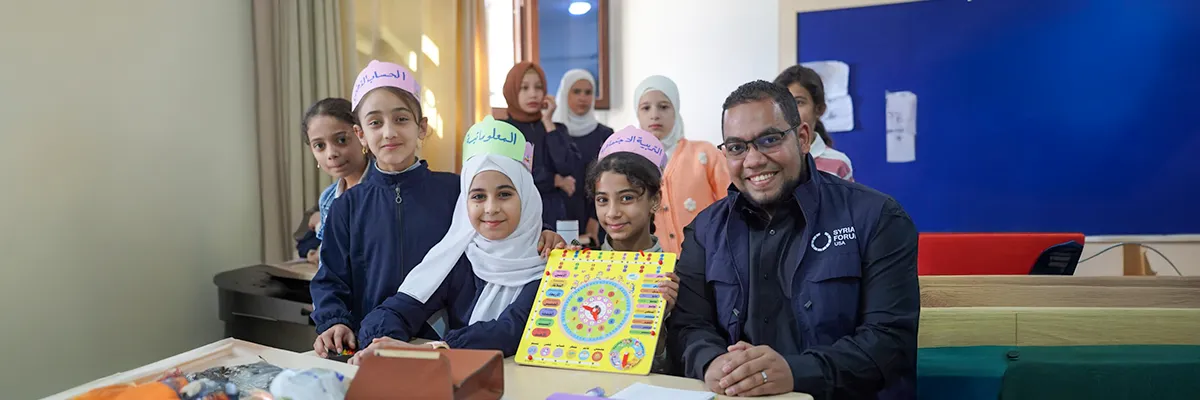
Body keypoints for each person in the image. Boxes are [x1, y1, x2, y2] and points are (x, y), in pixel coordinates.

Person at [666, 80, 918, 399]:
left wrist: (796, 372)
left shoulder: (877, 217)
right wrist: (712, 362)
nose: (753, 160)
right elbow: (688, 326)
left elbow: (890, 341)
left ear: (802, 138)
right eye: (737, 147)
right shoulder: (705, 230)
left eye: (769, 140)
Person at [310, 61, 565, 358]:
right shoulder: (348, 206)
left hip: (440, 344)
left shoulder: (455, 192)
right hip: (377, 341)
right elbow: (331, 277)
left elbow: (516, 220)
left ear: (421, 127)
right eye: (376, 122)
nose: (389, 132)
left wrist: (546, 231)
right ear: (361, 134)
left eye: (401, 119)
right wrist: (335, 320)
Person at [351, 117, 545, 360]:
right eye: (478, 196)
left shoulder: (545, 262)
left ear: (527, 198)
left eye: (505, 194)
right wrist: (384, 344)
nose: (491, 208)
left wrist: (436, 349)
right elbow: (398, 310)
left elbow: (512, 330)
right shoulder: (461, 258)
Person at [584, 126, 680, 374]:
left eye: (626, 198)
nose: (613, 212)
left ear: (655, 200)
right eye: (602, 200)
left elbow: (673, 369)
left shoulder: (674, 276)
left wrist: (659, 321)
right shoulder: (581, 265)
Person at [633, 75, 731, 254]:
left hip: (706, 258)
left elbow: (731, 204)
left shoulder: (705, 154)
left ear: (675, 110)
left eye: (664, 106)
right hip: (652, 263)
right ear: (638, 114)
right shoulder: (631, 163)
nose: (654, 115)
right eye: (646, 108)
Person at [503, 62, 582, 228]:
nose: (533, 94)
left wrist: (548, 122)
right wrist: (554, 180)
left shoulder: (557, 129)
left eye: (538, 87)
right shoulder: (503, 131)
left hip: (555, 213)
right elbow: (510, 174)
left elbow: (568, 167)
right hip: (519, 214)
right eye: (524, 88)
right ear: (512, 91)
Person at [301, 97, 371, 263]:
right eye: (320, 146)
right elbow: (329, 263)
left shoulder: (386, 187)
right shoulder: (328, 199)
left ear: (361, 135)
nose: (331, 153)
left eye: (341, 140)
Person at [553, 69, 614, 246]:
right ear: (565, 94)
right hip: (558, 215)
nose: (583, 98)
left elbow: (609, 179)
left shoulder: (605, 134)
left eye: (588, 92)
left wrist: (596, 218)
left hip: (596, 216)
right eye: (576, 91)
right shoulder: (552, 133)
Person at [774, 65, 855, 181]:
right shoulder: (767, 159)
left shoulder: (838, 163)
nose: (789, 111)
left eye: (799, 102)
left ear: (819, 109)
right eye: (783, 103)